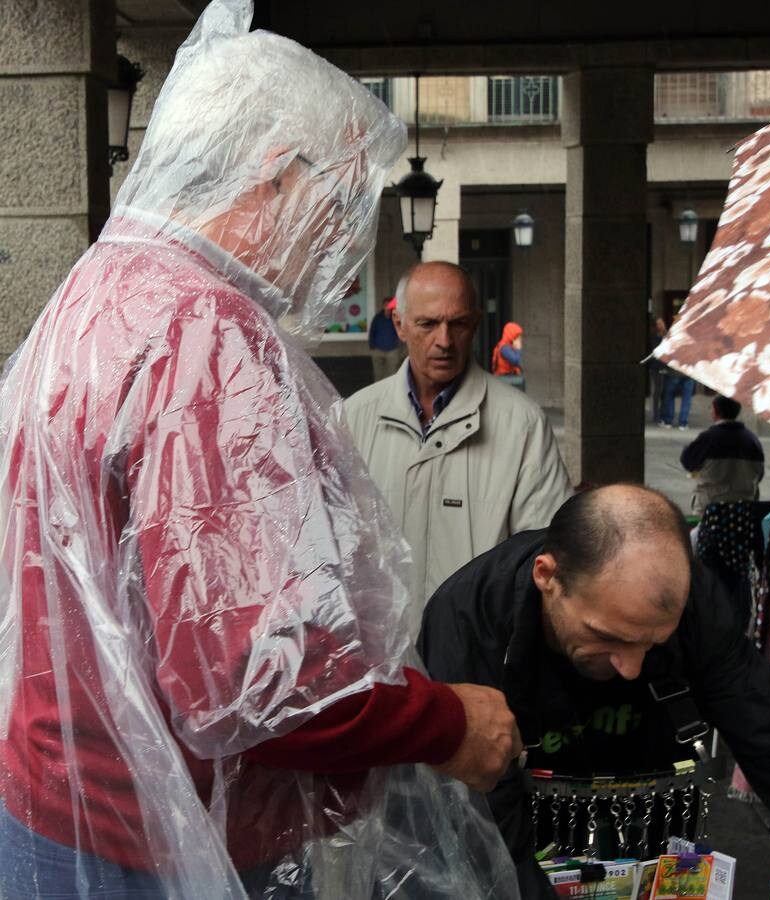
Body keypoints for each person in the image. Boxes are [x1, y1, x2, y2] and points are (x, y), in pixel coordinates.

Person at [0, 5, 522, 898]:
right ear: (279, 177)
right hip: (152, 844)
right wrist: (445, 723)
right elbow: (258, 683)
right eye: (347, 197)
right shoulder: (206, 334)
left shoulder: (99, 289)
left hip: (55, 804)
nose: (349, 240)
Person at [418, 485, 770, 900]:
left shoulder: (685, 596)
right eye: (609, 636)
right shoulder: (467, 621)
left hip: (646, 817)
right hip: (521, 824)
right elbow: (482, 825)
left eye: (652, 642)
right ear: (547, 576)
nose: (630, 668)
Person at [344, 261, 572, 621]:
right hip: (386, 656)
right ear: (400, 326)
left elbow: (544, 555)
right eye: (428, 324)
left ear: (476, 323)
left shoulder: (522, 424)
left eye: (458, 324)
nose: (444, 341)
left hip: (477, 658)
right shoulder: (354, 417)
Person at [680, 395, 765, 516]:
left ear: (715, 410)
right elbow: (759, 474)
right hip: (744, 509)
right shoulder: (752, 440)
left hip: (710, 507)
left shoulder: (707, 438)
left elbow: (687, 461)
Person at [369, 295, 403, 381]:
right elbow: (372, 332)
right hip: (378, 350)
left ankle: (388, 392)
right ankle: (378, 392)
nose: (387, 307)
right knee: (378, 375)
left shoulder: (396, 318)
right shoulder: (377, 318)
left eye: (389, 305)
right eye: (386, 305)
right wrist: (372, 347)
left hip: (392, 351)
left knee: (391, 375)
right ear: (383, 306)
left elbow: (401, 331)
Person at [647, 316, 668, 425]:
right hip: (656, 368)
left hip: (666, 367)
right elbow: (656, 351)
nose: (662, 325)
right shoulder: (654, 337)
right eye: (659, 323)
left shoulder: (667, 335)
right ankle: (656, 415)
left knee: (665, 392)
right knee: (657, 392)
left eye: (662, 323)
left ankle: (663, 414)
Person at [492, 321, 525, 388]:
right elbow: (516, 361)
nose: (519, 339)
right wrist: (518, 349)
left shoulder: (508, 346)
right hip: (505, 380)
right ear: (511, 335)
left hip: (507, 379)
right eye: (517, 336)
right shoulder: (504, 348)